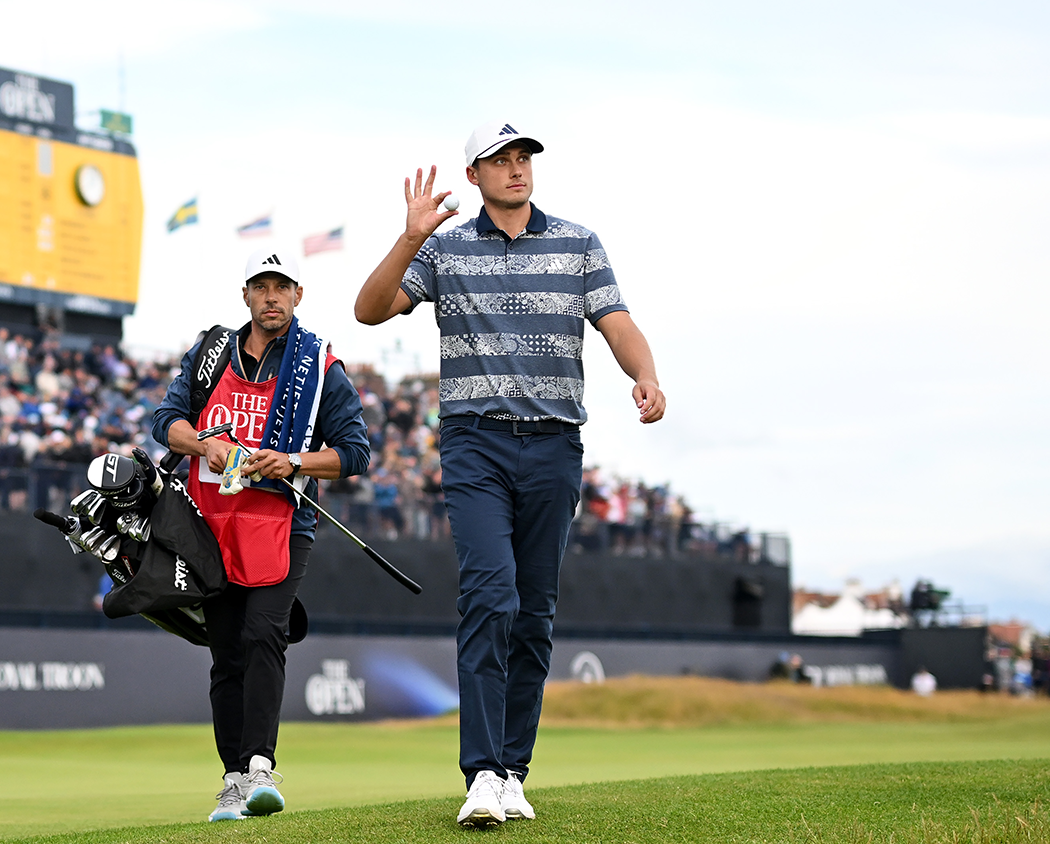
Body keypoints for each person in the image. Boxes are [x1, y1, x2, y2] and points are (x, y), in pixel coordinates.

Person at [354, 122, 665, 827]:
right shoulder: (443, 247)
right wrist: (408, 236)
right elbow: (368, 311)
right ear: (474, 175)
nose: (517, 168)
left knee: (534, 612)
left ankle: (514, 770)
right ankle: (483, 773)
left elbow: (617, 323)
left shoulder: (579, 242)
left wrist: (645, 375)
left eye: (523, 157)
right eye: (501, 160)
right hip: (475, 444)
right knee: (490, 597)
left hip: (555, 443)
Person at [151, 250, 370, 823]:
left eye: (282, 287)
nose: (271, 297)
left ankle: (259, 770)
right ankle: (230, 782)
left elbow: (355, 453)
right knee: (224, 651)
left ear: (300, 294)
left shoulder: (319, 364)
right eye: (260, 286)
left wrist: (292, 460)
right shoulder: (209, 354)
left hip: (283, 522)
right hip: (207, 523)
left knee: (263, 632)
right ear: (244, 295)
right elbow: (164, 421)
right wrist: (204, 444)